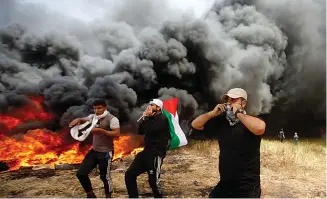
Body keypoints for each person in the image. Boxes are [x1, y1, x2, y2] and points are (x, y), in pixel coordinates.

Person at [191, 88, 266, 198]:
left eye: (234, 100)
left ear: (243, 103)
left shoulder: (250, 121)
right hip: (225, 184)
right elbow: (195, 124)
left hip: (247, 187)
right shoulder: (221, 122)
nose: (229, 103)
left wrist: (238, 113)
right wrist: (211, 114)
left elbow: (260, 128)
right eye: (228, 100)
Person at [69, 99, 120, 198]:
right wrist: (78, 119)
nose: (97, 110)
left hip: (106, 153)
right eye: (95, 108)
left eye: (99, 108)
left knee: (105, 177)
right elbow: (85, 119)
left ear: (105, 107)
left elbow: (117, 133)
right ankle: (90, 195)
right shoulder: (93, 117)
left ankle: (108, 197)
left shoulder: (112, 119)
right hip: (94, 151)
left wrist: (101, 131)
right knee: (81, 173)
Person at [125, 99, 171, 198]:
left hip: (155, 154)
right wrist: (145, 118)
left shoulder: (162, 119)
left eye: (152, 105)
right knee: (129, 175)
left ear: (158, 108)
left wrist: (147, 118)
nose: (149, 106)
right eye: (149, 104)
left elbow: (150, 129)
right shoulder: (150, 118)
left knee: (154, 182)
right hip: (146, 152)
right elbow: (141, 131)